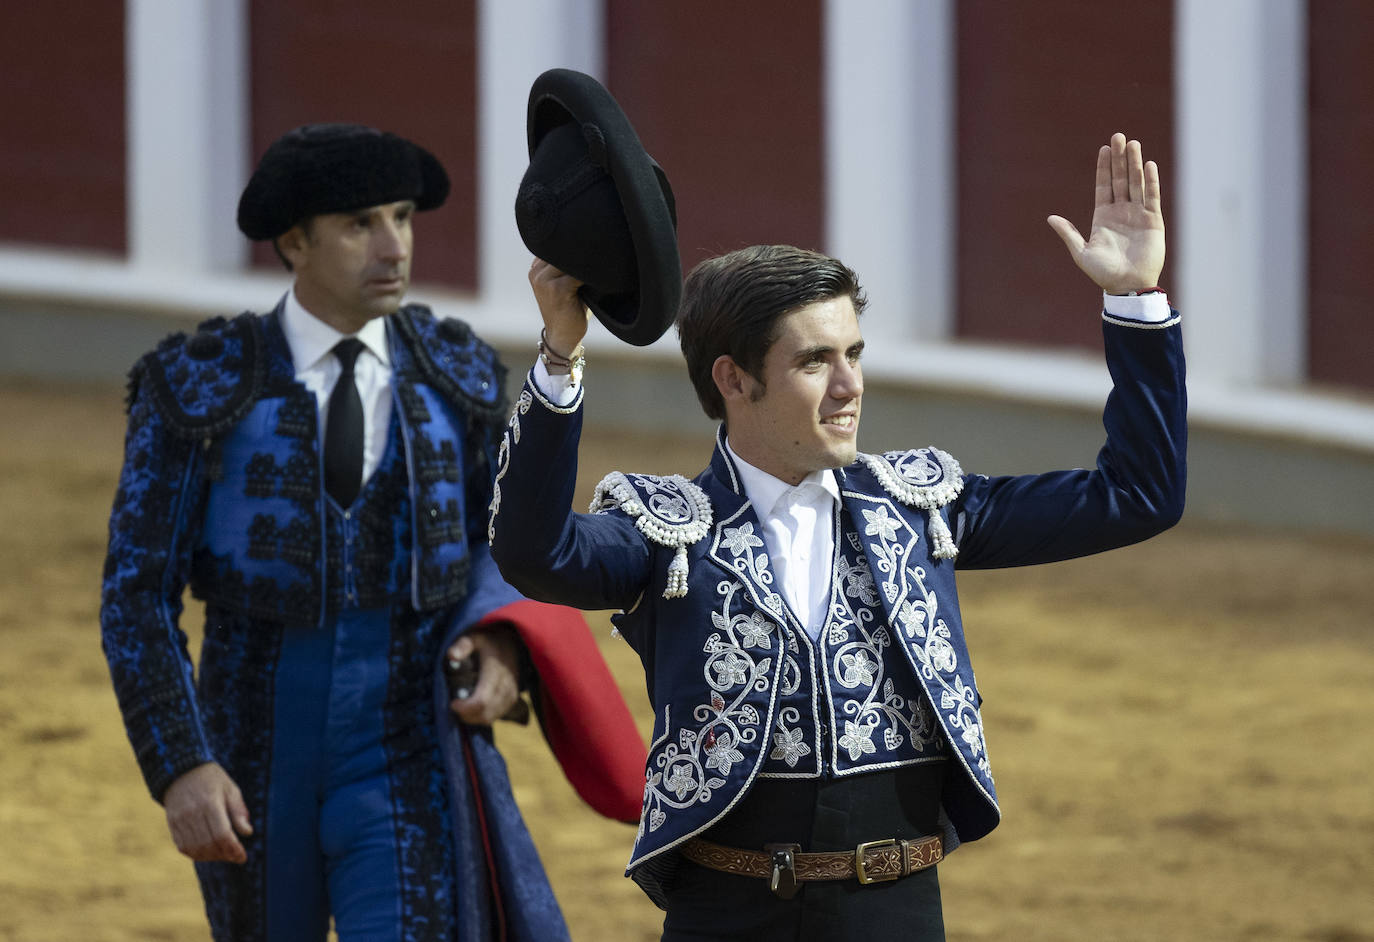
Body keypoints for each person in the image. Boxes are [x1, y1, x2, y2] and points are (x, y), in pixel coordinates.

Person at [488, 132, 1186, 940]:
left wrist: (1135, 301)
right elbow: (533, 554)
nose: (852, 386)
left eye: (855, 353)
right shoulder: (667, 530)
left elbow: (1139, 496)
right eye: (817, 360)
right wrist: (560, 356)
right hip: (728, 913)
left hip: (893, 907)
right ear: (734, 378)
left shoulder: (919, 507)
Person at [100, 123, 644, 942]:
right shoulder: (198, 387)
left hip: (403, 747)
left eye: (402, 217)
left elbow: (501, 548)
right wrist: (181, 762)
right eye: (360, 225)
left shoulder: (454, 374)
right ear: (294, 241)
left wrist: (503, 649)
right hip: (249, 758)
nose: (394, 246)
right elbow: (137, 594)